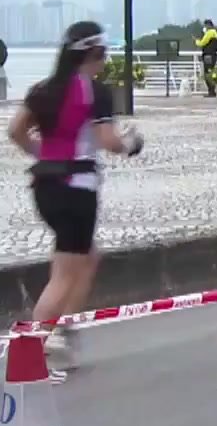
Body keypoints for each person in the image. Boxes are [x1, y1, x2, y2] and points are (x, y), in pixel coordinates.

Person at [7, 22, 143, 375]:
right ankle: (35, 353)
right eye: (103, 54)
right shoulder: (94, 93)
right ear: (93, 54)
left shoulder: (43, 89)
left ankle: (60, 328)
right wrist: (132, 142)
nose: (104, 61)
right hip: (77, 189)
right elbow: (108, 141)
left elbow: (15, 130)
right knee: (66, 274)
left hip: (45, 187)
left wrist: (42, 153)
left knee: (86, 258)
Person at [196, 18, 217, 96]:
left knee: (207, 73)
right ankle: (212, 91)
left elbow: (202, 43)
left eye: (205, 25)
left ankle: (211, 91)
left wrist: (197, 41)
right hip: (213, 55)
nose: (205, 27)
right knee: (211, 72)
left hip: (208, 55)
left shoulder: (210, 33)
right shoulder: (215, 33)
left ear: (208, 25)